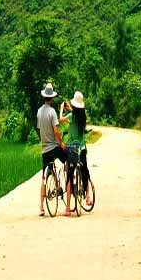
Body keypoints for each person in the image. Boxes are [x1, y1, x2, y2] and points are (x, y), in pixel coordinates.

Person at [36, 82, 72, 216]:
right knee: (67, 159)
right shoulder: (52, 112)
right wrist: (61, 144)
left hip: (44, 148)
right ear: (51, 98)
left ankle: (41, 207)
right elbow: (56, 131)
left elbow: (39, 130)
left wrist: (43, 143)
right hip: (54, 147)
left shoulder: (39, 112)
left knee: (44, 177)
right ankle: (67, 185)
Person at [59, 90, 92, 208]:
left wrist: (62, 109)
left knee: (69, 173)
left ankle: (68, 207)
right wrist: (71, 109)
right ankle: (88, 197)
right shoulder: (83, 116)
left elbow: (61, 119)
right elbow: (77, 114)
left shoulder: (71, 116)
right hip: (82, 148)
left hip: (72, 147)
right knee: (85, 170)